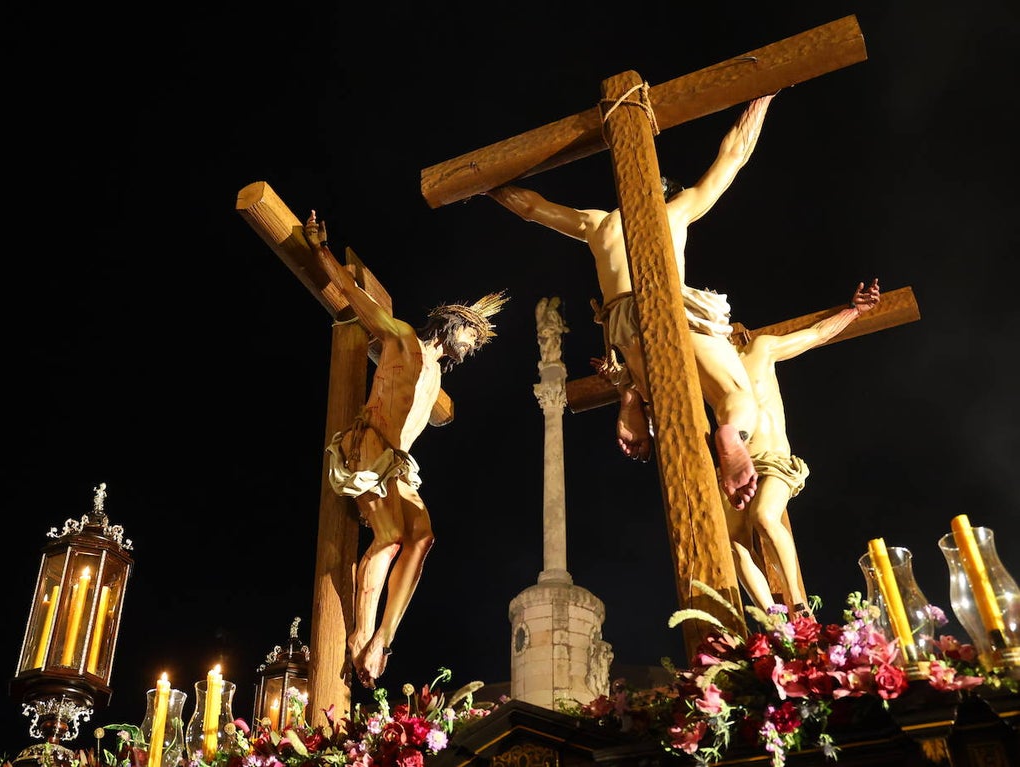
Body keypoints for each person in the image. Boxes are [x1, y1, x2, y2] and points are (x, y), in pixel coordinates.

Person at [484, 95, 775, 510]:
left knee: (666, 400)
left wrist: (486, 185)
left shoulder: (596, 222)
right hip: (669, 301)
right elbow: (732, 157)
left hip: (622, 322)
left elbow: (531, 207)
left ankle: (634, 399)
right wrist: (762, 98)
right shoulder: (676, 211)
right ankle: (729, 434)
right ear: (667, 195)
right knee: (734, 394)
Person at [304, 210, 508, 688]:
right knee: (392, 536)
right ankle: (359, 635)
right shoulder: (401, 339)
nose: (472, 345)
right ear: (450, 322)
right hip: (368, 447)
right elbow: (358, 299)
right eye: (470, 334)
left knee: (422, 537)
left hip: (396, 463)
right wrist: (321, 252)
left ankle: (382, 640)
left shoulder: (437, 379)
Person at [726, 278, 880, 616]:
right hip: (737, 467)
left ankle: (798, 604)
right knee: (734, 544)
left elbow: (816, 335)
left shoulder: (760, 350)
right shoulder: (706, 373)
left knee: (765, 516)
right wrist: (622, 382)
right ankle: (772, 618)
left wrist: (854, 311)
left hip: (775, 459)